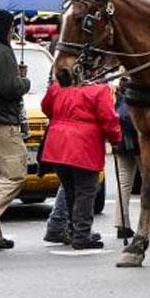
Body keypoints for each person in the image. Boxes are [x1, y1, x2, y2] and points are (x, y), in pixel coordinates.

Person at [41, 80, 121, 250]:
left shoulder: (58, 86)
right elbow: (108, 119)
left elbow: (46, 107)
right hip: (84, 145)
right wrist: (116, 139)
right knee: (85, 191)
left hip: (58, 143)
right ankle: (82, 234)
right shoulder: (99, 90)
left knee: (70, 189)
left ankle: (74, 230)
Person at [0, 9, 31, 249]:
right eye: (10, 27)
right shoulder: (3, 52)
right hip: (2, 124)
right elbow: (9, 88)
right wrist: (24, 81)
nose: (12, 31)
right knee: (16, 174)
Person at [113, 86, 150, 239]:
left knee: (124, 182)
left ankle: (122, 223)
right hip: (145, 144)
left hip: (123, 142)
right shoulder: (147, 93)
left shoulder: (120, 95)